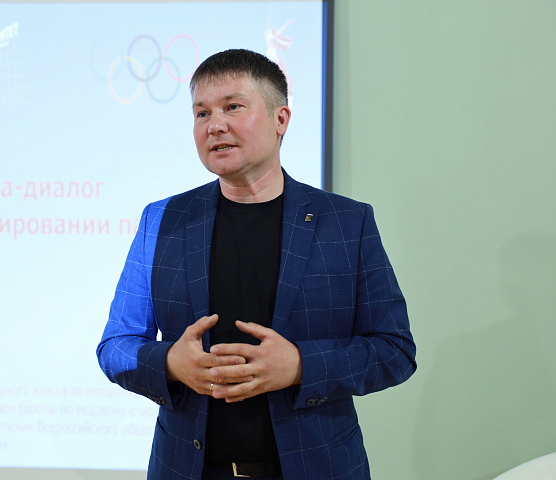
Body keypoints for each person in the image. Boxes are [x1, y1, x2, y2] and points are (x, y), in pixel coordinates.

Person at [97, 49, 416, 480]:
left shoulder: (346, 222)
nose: (215, 125)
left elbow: (395, 350)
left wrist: (299, 365)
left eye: (232, 107)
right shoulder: (162, 220)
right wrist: (171, 362)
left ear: (280, 119)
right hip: (187, 469)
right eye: (201, 113)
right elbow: (115, 346)